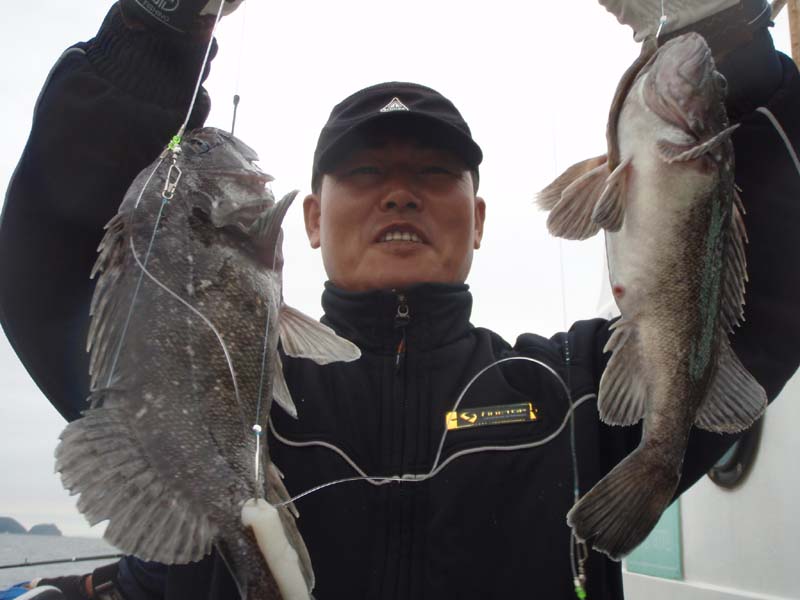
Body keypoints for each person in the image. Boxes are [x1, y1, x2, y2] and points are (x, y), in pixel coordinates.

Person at [1, 0, 799, 598]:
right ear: (310, 220)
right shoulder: (196, 382)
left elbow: (770, 297)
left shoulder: (578, 395)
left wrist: (728, 36)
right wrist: (156, 32)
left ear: (478, 219)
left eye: (433, 174)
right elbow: (50, 269)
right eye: (364, 173)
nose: (399, 194)